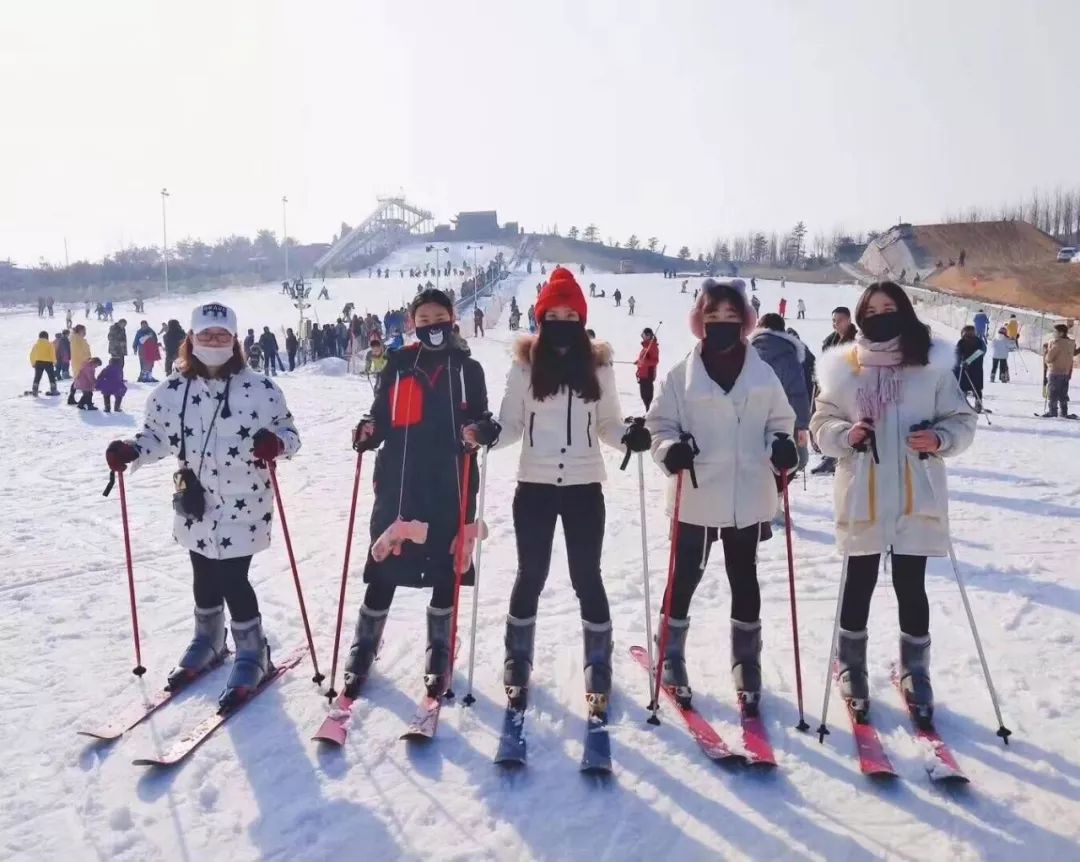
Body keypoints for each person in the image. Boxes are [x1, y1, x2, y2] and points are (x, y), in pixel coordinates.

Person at [461, 266, 639, 719]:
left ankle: (598, 663)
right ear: (541, 317)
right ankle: (517, 659)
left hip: (583, 487)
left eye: (570, 312)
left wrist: (630, 437)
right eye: (553, 312)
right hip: (535, 486)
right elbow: (511, 425)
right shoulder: (525, 367)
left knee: (587, 576)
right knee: (531, 574)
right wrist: (487, 433)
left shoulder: (598, 367)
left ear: (581, 317)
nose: (562, 319)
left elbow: (608, 425)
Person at [104, 303, 301, 710]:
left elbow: (290, 433)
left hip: (246, 500)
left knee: (232, 577)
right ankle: (208, 641)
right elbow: (155, 437)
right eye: (206, 334)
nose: (214, 341)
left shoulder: (261, 389)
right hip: (195, 501)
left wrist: (276, 444)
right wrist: (129, 451)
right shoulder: (170, 392)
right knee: (202, 574)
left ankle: (253, 652)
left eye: (222, 335)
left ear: (235, 341)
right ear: (190, 340)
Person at [810, 281, 976, 725]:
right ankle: (850, 663)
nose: (881, 314)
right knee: (859, 580)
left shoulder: (930, 363)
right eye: (873, 308)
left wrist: (940, 438)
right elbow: (821, 423)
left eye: (890, 307)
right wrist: (847, 436)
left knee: (910, 584)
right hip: (862, 490)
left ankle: (915, 669)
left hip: (913, 491)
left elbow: (962, 420)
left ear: (903, 311)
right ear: (862, 315)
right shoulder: (843, 367)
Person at [645, 278, 796, 710]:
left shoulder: (762, 374)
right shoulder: (680, 375)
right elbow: (660, 426)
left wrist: (780, 446)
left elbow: (779, 422)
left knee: (744, 576)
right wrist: (668, 450)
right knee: (686, 574)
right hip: (695, 490)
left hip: (747, 491)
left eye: (732, 317)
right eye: (713, 318)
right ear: (700, 321)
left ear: (746, 321)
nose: (723, 324)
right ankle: (670, 652)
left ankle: (746, 660)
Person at [343, 289, 488, 699]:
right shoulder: (400, 364)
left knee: (447, 561)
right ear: (413, 324)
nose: (431, 326)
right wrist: (369, 430)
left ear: (451, 318)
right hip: (401, 481)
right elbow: (381, 415)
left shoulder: (467, 369)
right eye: (423, 320)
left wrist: (482, 431)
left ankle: (439, 649)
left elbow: (480, 415)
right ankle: (364, 647)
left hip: (452, 479)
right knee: (387, 558)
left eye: (438, 317)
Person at [751, 313, 811, 492]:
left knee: (757, 461)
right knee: (789, 461)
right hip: (784, 420)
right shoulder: (789, 354)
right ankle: (774, 500)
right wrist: (802, 425)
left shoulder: (749, 352)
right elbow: (798, 392)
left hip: (752, 417)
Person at [811, 307, 859, 477]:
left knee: (845, 424)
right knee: (828, 421)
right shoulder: (829, 342)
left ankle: (836, 459)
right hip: (829, 389)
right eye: (833, 321)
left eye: (839, 320)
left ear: (848, 320)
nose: (835, 324)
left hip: (849, 390)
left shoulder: (856, 341)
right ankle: (829, 458)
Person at [1043, 324, 1079, 418]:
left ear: (1061, 333)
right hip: (1066, 372)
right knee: (1063, 393)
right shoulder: (1070, 343)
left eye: (1055, 332)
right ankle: (1064, 412)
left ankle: (1052, 411)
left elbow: (1049, 358)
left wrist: (1047, 351)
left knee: (1053, 393)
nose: (1054, 334)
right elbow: (1073, 353)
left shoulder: (1057, 344)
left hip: (1055, 371)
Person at [954, 325, 986, 412]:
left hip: (972, 368)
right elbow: (957, 353)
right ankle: (972, 403)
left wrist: (967, 361)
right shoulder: (976, 341)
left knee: (971, 387)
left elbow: (981, 351)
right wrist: (960, 362)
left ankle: (973, 403)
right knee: (973, 387)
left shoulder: (978, 342)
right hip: (969, 369)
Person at [635, 327, 660, 410]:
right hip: (642, 374)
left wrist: (644, 362)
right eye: (644, 335)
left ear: (649, 335)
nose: (644, 336)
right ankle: (647, 410)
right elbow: (643, 359)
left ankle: (648, 411)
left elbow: (655, 361)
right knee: (643, 395)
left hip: (648, 374)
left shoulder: (652, 346)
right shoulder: (646, 346)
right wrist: (638, 361)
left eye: (646, 335)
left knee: (647, 395)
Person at [28, 331, 59, 396]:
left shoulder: (36, 345)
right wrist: (54, 361)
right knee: (51, 376)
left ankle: (35, 390)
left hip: (38, 362)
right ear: (47, 337)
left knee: (37, 377)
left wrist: (33, 363)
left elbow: (32, 355)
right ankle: (53, 390)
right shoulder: (49, 344)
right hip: (48, 362)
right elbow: (52, 354)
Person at [67, 324, 92, 405]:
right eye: (83, 331)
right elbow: (79, 352)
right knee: (83, 380)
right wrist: (87, 359)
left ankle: (71, 398)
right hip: (81, 362)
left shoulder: (78, 339)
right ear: (79, 331)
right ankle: (86, 400)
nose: (85, 333)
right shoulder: (76, 339)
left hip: (80, 362)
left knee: (77, 380)